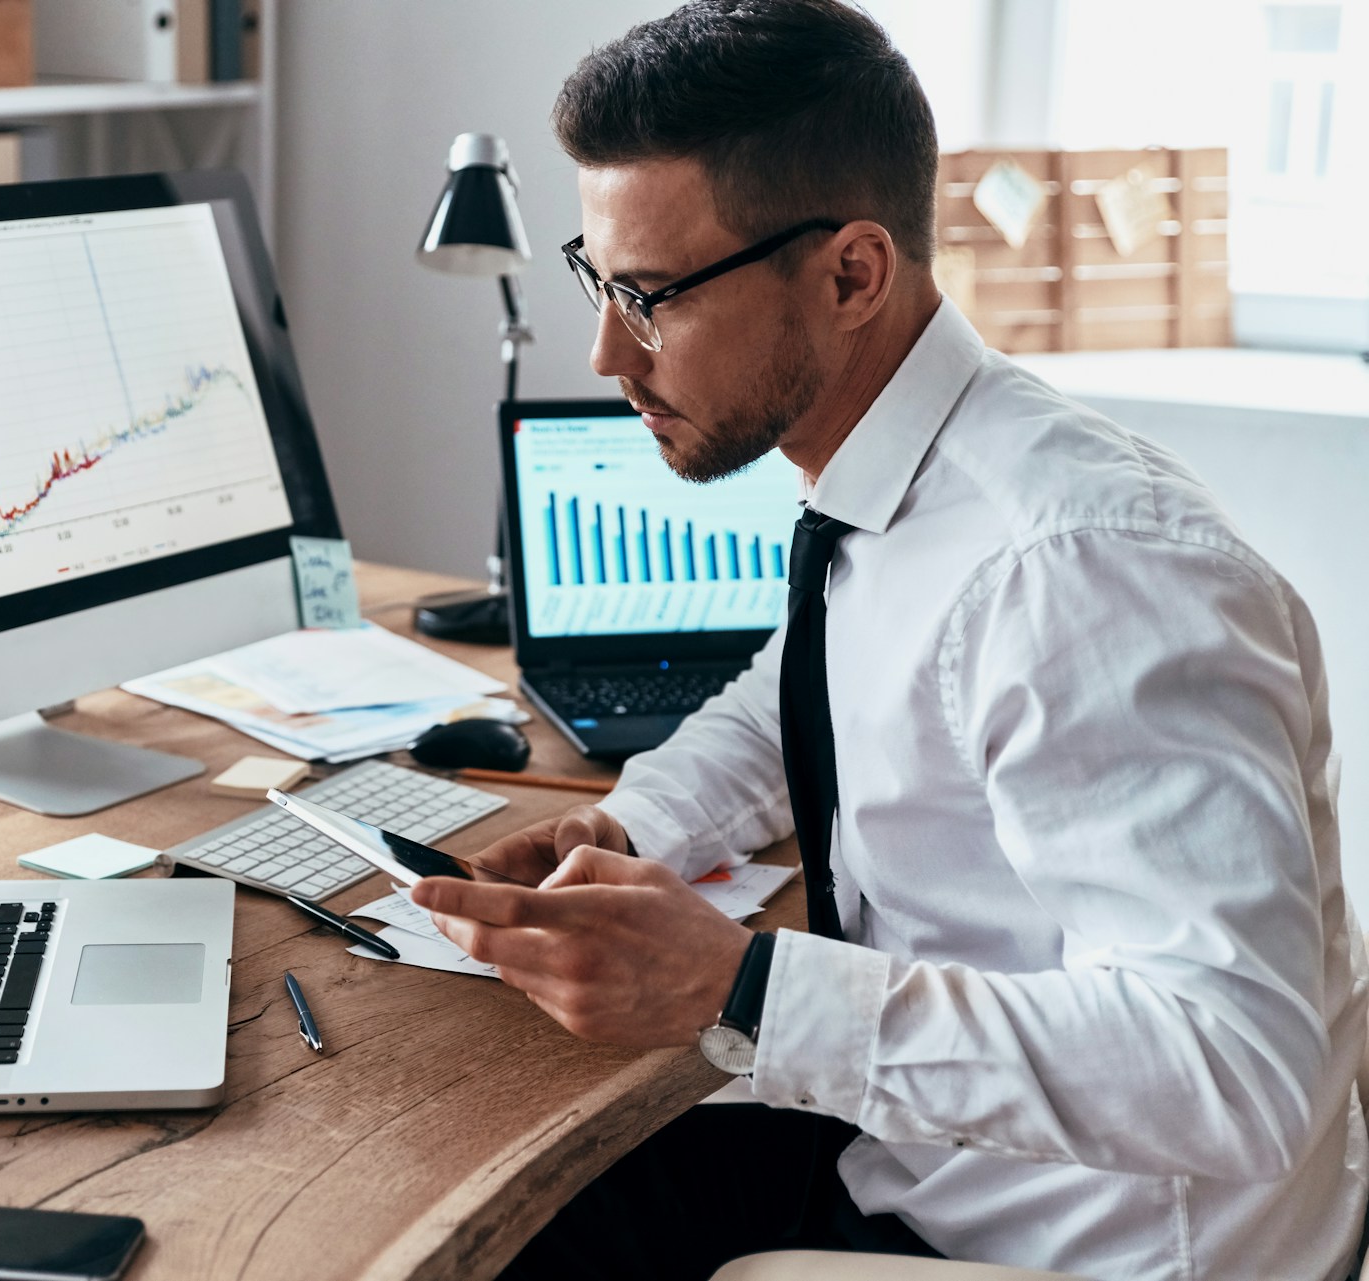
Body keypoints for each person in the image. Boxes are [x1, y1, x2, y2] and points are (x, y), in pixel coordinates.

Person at [407, 2, 1369, 1278]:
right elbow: (800, 692)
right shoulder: (896, 480)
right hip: (931, 1155)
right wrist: (631, 828)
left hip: (1079, 1247)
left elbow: (1234, 1068)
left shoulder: (1081, 570)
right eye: (599, 280)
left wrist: (740, 992)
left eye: (647, 299)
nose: (604, 354)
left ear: (853, 273)